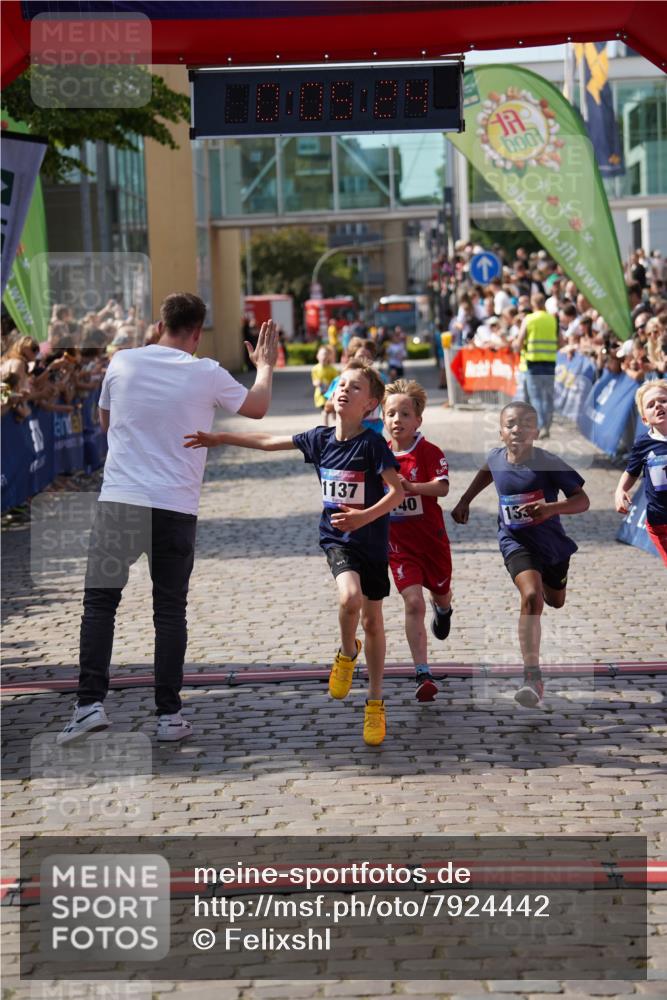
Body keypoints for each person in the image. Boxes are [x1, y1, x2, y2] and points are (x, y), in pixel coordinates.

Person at [58, 293, 279, 745]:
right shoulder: (206, 371)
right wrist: (265, 366)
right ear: (197, 333)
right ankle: (168, 716)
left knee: (99, 604)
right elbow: (257, 408)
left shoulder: (122, 361)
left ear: (160, 325)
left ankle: (88, 706)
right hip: (175, 506)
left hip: (119, 502)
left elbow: (106, 423)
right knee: (169, 610)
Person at [185, 359, 404, 745]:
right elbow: (270, 442)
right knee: (349, 598)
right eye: (341, 383)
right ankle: (346, 653)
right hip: (337, 540)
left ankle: (374, 703)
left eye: (355, 387)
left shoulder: (372, 445)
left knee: (373, 622)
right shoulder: (320, 439)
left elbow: (397, 493)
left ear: (370, 404)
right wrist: (221, 438)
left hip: (371, 542)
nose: (344, 389)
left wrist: (363, 517)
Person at [451, 401, 589, 708]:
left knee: (555, 600)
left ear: (536, 432)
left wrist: (551, 509)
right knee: (531, 596)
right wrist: (465, 499)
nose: (518, 429)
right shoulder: (496, 457)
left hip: (552, 546)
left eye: (526, 424)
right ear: (500, 432)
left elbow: (582, 500)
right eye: (510, 424)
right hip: (515, 542)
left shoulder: (548, 462)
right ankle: (532, 676)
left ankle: (548, 587)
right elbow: (488, 470)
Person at [383, 379, 452, 702]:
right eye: (391, 414)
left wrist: (410, 488)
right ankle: (422, 672)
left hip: (432, 542)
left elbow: (442, 487)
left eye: (405, 414)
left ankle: (445, 609)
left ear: (418, 420)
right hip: (399, 546)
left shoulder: (429, 452)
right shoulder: (379, 455)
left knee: (440, 594)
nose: (397, 420)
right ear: (383, 419)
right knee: (413, 602)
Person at [615, 381, 667, 567]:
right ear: (645, 420)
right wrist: (620, 490)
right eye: (651, 405)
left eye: (663, 400)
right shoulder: (643, 444)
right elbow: (631, 472)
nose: (658, 406)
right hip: (660, 522)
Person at [515, 293, 561, 439]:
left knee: (536, 397)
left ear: (533, 304)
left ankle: (541, 426)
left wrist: (518, 347)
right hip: (550, 363)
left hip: (533, 363)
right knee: (547, 396)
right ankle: (547, 425)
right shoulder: (552, 319)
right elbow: (561, 342)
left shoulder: (529, 319)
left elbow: (519, 342)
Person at [311, 345, 338, 425]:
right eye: (322, 354)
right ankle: (325, 429)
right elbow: (314, 381)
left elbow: (337, 381)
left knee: (333, 413)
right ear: (317, 356)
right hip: (321, 395)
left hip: (331, 394)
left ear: (329, 357)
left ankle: (336, 425)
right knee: (325, 412)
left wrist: (330, 385)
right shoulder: (315, 369)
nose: (324, 356)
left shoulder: (332, 369)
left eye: (326, 354)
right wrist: (317, 383)